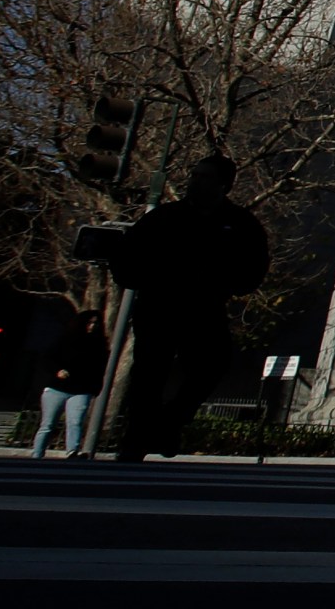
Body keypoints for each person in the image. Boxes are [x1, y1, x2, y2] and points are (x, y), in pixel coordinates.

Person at [111, 155, 271, 462]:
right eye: (195, 175)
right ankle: (137, 439)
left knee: (213, 363)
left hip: (204, 307)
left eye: (205, 177)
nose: (196, 181)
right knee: (149, 372)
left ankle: (170, 422)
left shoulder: (239, 224)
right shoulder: (165, 217)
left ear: (224, 184)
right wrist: (141, 278)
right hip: (158, 306)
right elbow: (126, 253)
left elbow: (255, 263)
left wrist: (231, 285)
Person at [33, 308, 108, 458]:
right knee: (48, 424)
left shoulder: (99, 345)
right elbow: (47, 358)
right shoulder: (65, 339)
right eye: (89, 323)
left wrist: (95, 388)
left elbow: (99, 368)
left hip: (81, 389)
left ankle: (72, 451)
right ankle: (37, 454)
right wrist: (57, 371)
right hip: (57, 388)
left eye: (96, 323)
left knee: (75, 421)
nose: (93, 326)